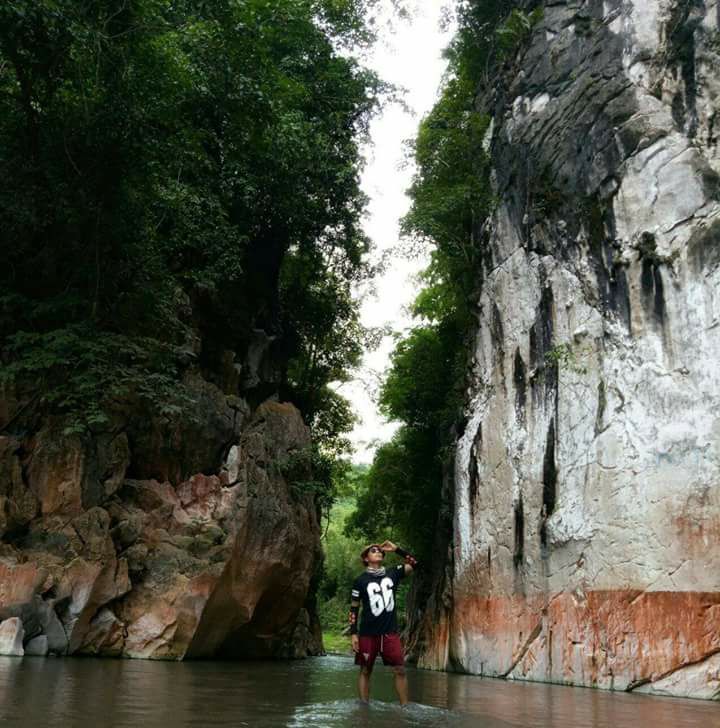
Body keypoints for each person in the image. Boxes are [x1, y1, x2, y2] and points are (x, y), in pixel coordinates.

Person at [348, 539, 418, 705]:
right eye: (373, 550)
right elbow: (353, 609)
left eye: (380, 550)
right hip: (367, 634)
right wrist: (353, 633)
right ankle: (364, 707)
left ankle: (404, 707)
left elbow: (415, 563)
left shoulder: (393, 573)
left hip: (389, 632)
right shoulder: (360, 581)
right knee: (365, 670)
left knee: (400, 670)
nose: (378, 551)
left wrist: (397, 549)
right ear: (366, 558)